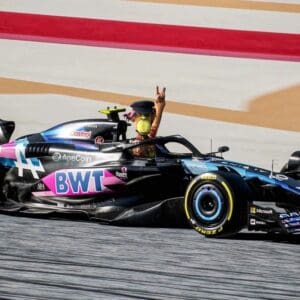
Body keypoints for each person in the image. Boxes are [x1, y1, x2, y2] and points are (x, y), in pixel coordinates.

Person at [125, 86, 166, 157]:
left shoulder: (150, 138)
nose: (143, 118)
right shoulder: (131, 146)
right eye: (139, 115)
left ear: (152, 117)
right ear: (133, 118)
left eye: (147, 115)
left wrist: (159, 105)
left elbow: (154, 126)